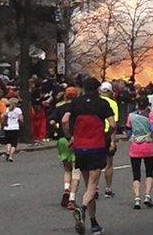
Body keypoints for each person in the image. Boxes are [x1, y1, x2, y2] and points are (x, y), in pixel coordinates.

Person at [63, 77, 116, 235]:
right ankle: (82, 209)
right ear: (98, 89)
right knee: (93, 186)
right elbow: (112, 124)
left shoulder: (76, 103)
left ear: (84, 88)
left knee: (88, 186)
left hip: (80, 147)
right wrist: (106, 134)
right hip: (96, 146)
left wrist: (70, 137)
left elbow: (65, 120)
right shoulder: (102, 103)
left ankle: (93, 223)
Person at [51, 86, 81, 209]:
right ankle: (72, 198)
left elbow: (52, 121)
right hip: (75, 139)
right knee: (76, 169)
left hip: (62, 140)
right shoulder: (78, 107)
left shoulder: (59, 107)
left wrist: (57, 131)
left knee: (66, 168)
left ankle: (66, 188)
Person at [126, 96, 153, 209]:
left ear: (137, 105)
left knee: (136, 174)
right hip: (147, 146)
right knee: (149, 172)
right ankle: (147, 195)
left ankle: (137, 198)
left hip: (135, 147)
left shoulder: (131, 116)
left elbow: (128, 130)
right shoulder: (150, 115)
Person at [99, 81, 119, 198]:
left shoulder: (96, 102)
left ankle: (94, 187)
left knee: (95, 164)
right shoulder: (113, 103)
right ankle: (108, 188)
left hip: (96, 134)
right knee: (109, 163)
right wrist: (112, 140)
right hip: (107, 134)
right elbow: (113, 124)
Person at [4, 97, 23, 162]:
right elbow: (21, 119)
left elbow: (5, 116)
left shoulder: (7, 109)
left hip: (7, 128)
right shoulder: (18, 110)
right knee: (14, 143)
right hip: (15, 128)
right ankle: (11, 156)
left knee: (8, 142)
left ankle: (7, 151)